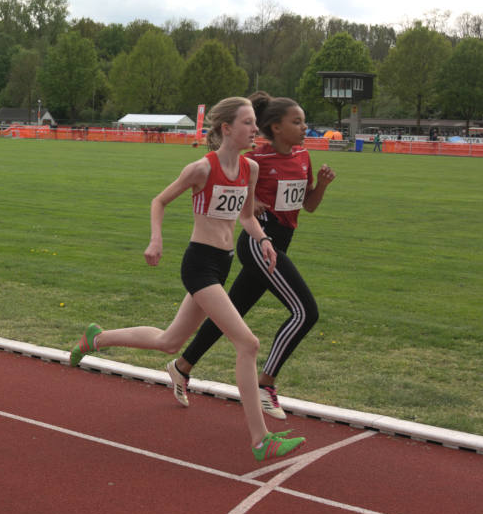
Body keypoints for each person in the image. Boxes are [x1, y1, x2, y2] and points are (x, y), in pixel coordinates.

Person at [70, 96, 306, 462]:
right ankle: (261, 440)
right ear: (227, 128)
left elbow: (245, 217)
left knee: (170, 342)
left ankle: (95, 338)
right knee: (248, 343)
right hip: (199, 265)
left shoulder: (250, 170)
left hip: (222, 263)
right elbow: (159, 201)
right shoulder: (200, 168)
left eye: (255, 123)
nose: (254, 130)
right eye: (247, 123)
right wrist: (156, 238)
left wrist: (263, 240)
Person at [165, 91, 336, 421]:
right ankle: (265, 383)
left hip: (280, 245)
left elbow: (309, 205)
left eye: (304, 121)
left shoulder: (303, 157)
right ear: (274, 127)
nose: (304, 128)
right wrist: (251, 201)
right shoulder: (260, 157)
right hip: (259, 245)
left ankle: (181, 367)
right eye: (296, 122)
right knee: (305, 311)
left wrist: (324, 185)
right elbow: (231, 175)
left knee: (232, 312)